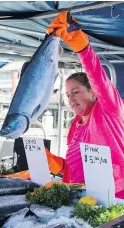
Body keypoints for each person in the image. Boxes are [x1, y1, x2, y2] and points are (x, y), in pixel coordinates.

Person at [45, 11, 124, 196]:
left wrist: (82, 47)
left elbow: (98, 77)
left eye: (76, 92)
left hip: (117, 201)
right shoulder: (75, 126)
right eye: (67, 94)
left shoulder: (108, 110)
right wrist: (57, 164)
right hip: (85, 200)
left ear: (93, 92)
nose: (71, 99)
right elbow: (76, 170)